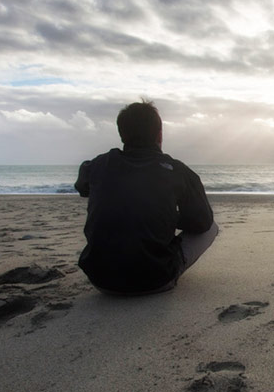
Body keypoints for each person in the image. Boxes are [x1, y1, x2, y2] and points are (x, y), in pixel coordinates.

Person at [75, 100, 218, 295]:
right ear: (159, 134)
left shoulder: (97, 165)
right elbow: (202, 222)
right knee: (212, 228)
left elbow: (82, 188)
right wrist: (169, 216)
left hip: (101, 280)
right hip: (156, 280)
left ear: (122, 133)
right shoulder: (177, 170)